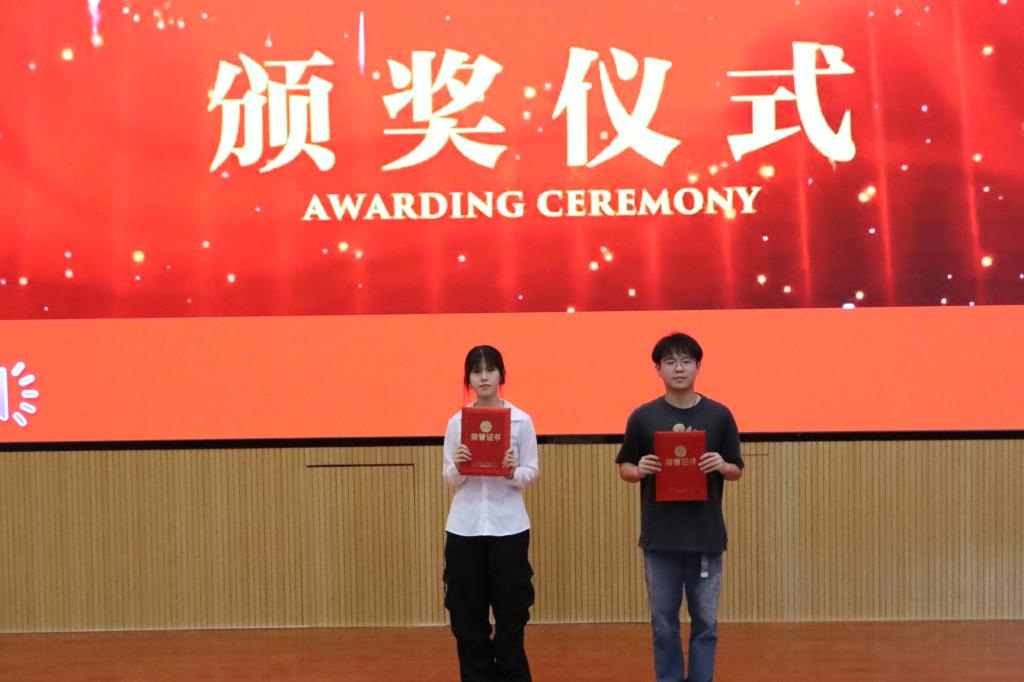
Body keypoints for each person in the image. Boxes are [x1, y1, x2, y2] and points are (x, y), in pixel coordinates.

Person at [616, 332, 744, 682]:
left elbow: (736, 470)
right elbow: (624, 467)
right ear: (657, 369)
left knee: (706, 623)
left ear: (698, 367)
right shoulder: (643, 416)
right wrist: (639, 469)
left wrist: (722, 465)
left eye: (686, 361)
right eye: (670, 362)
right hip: (660, 538)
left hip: (705, 537)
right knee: (663, 623)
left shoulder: (719, 415)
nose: (679, 368)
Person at [442, 344, 539, 682]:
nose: (484, 377)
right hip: (465, 528)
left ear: (501, 375)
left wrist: (512, 471)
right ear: (468, 378)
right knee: (466, 613)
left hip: (508, 527)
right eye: (476, 371)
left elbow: (531, 471)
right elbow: (449, 477)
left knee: (512, 612)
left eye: (490, 370)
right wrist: (459, 465)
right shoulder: (457, 422)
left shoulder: (521, 420)